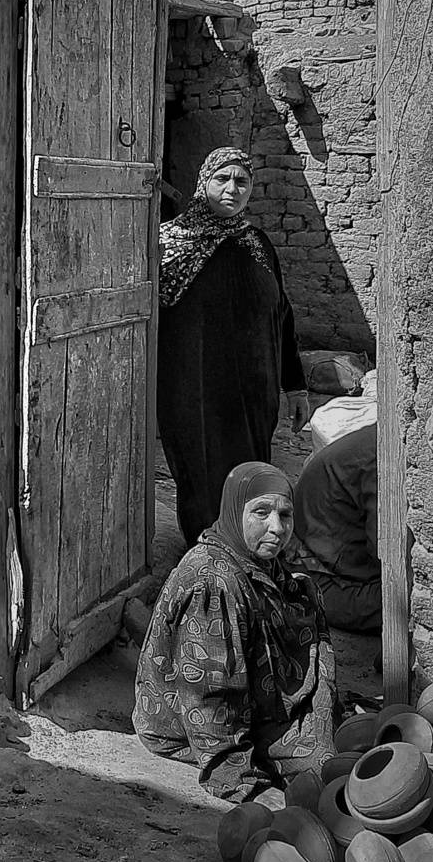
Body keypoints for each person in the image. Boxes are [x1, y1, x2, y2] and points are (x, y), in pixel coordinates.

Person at [133, 460, 338, 803]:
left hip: (252, 704)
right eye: (261, 512)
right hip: (189, 725)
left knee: (335, 759)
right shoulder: (213, 582)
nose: (277, 528)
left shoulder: (257, 561)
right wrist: (242, 781)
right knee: (322, 778)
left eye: (285, 515)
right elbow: (208, 694)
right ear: (233, 511)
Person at [157, 146, 309, 546]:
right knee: (202, 476)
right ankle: (207, 556)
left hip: (253, 395)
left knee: (251, 475)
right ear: (203, 183)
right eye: (222, 178)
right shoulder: (169, 244)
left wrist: (295, 386)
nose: (232, 188)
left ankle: (248, 551)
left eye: (242, 181)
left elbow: (282, 314)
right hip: (195, 393)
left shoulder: (256, 242)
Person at [290, 423, 381, 633]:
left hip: (323, 558)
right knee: (417, 603)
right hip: (320, 575)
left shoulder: (377, 442)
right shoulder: (381, 458)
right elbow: (386, 552)